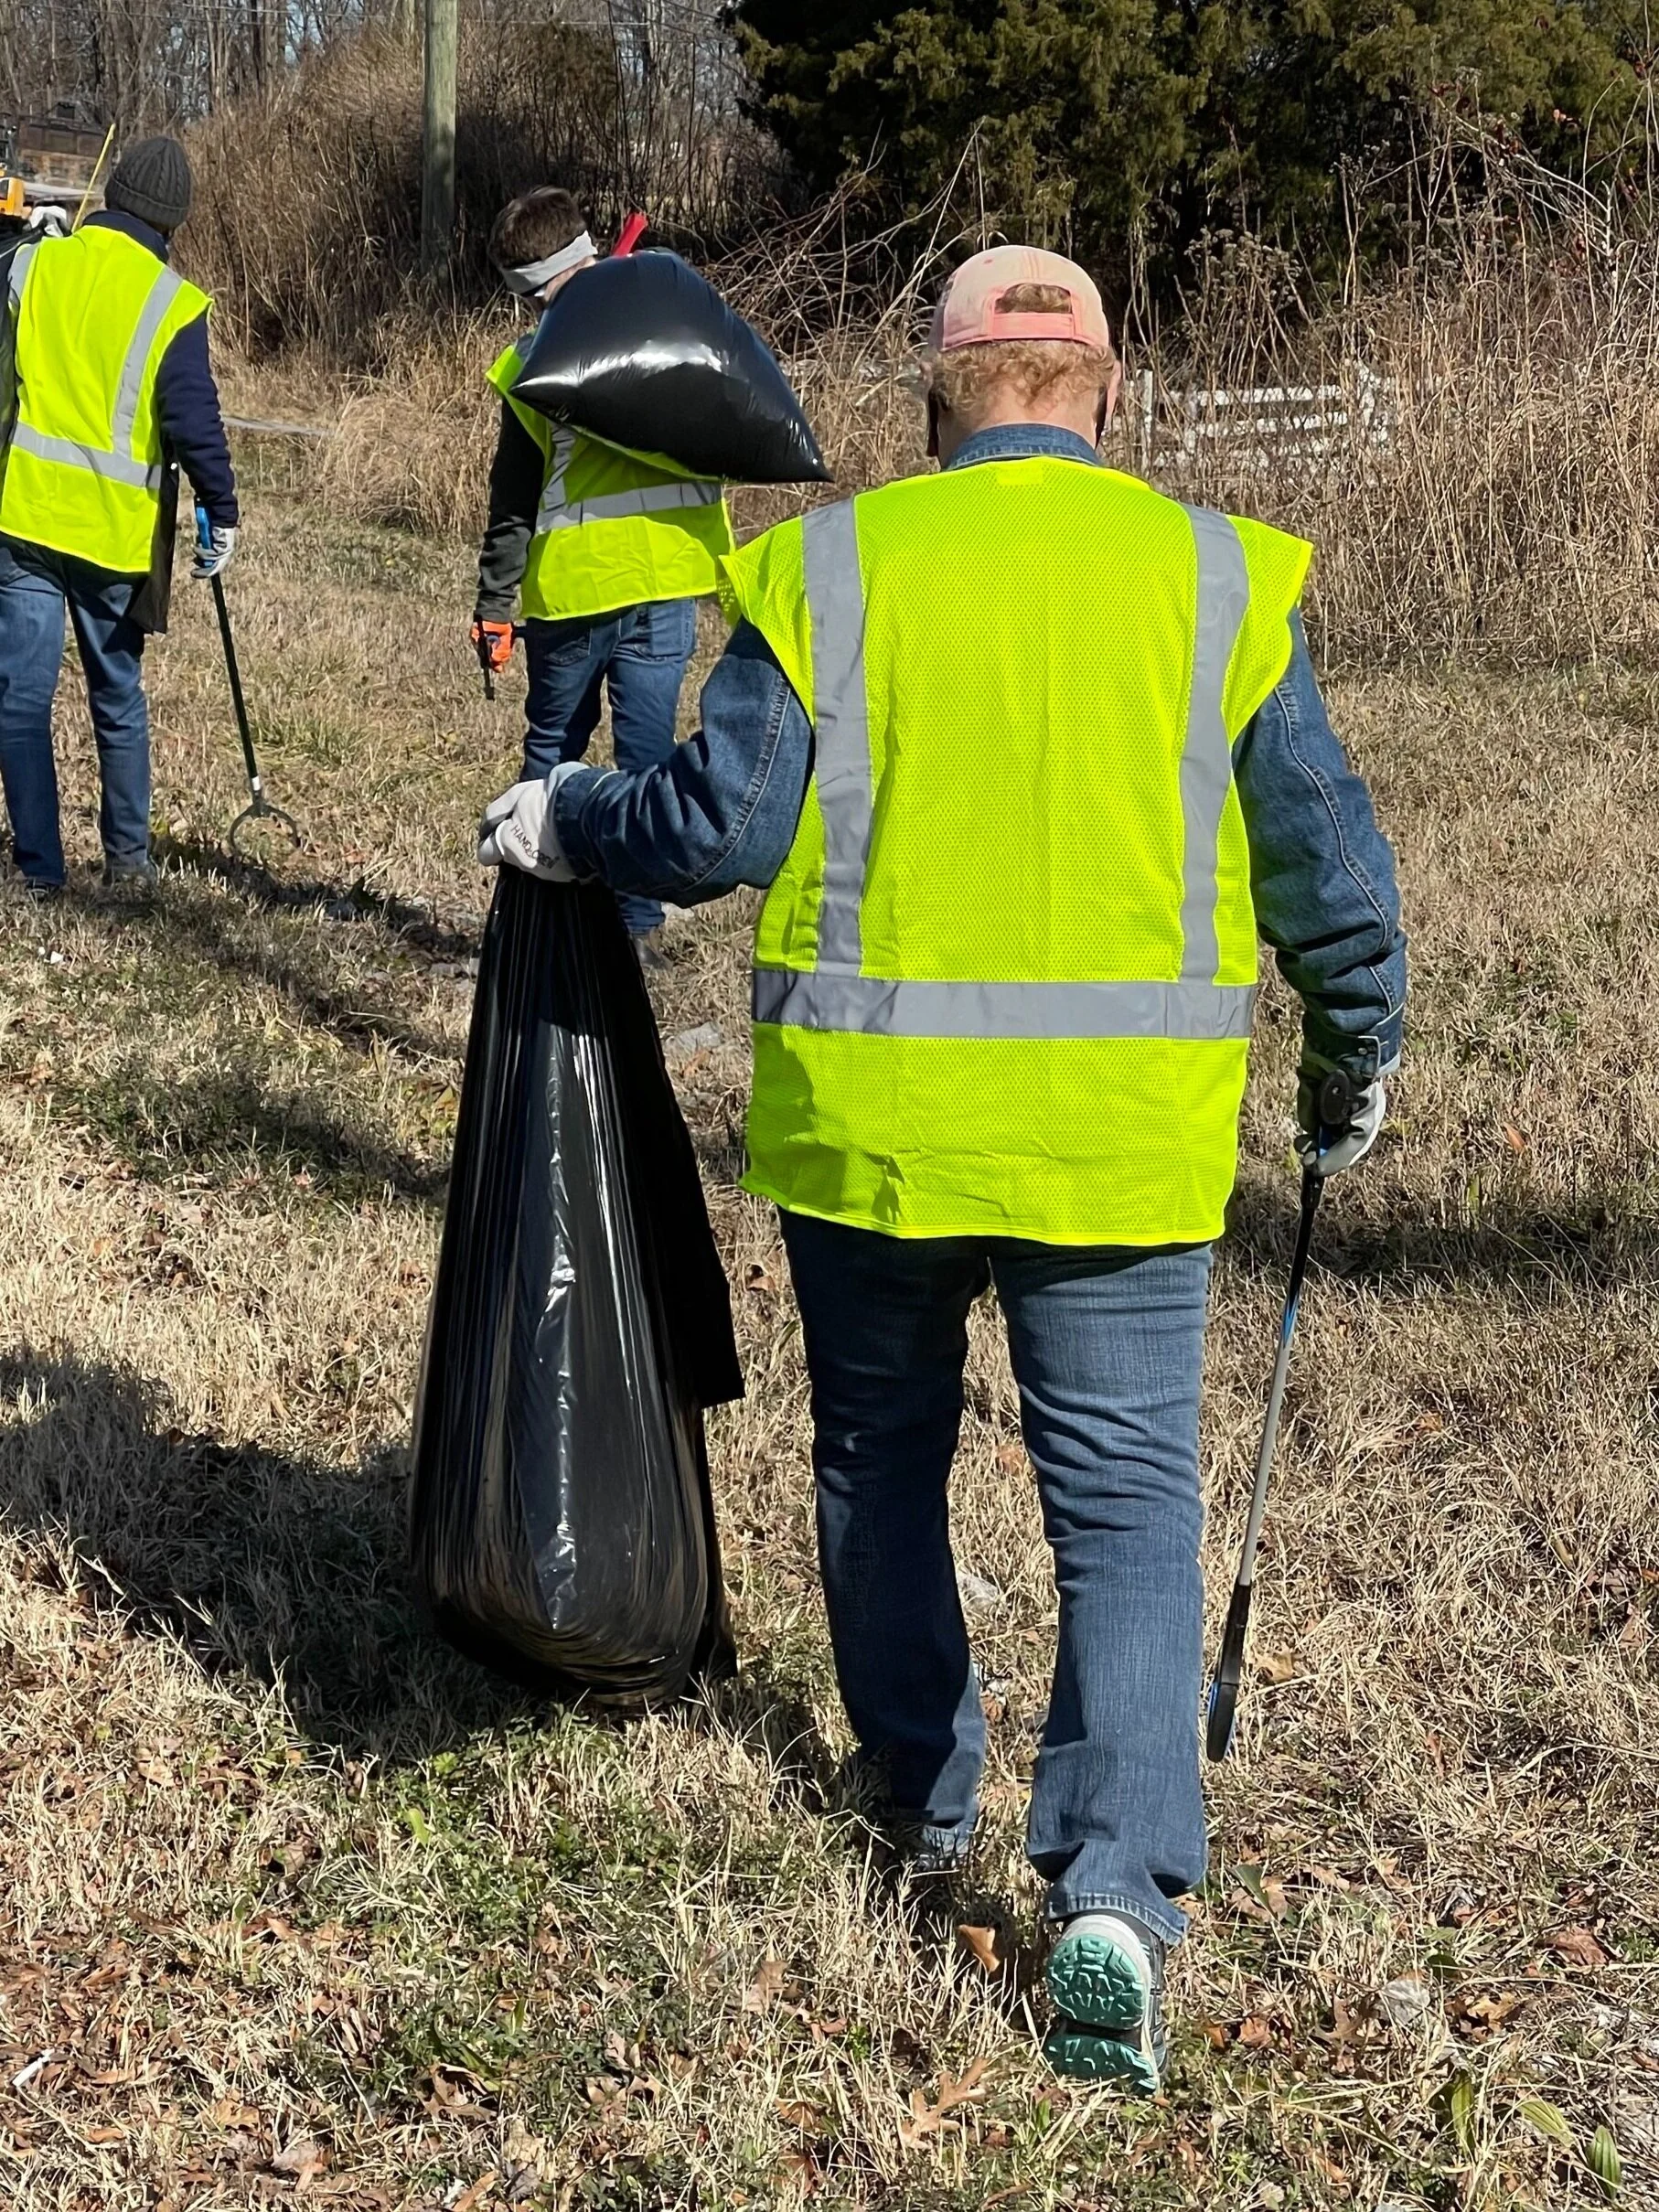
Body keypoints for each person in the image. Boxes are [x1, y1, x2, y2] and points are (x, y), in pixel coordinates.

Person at [478, 245, 1407, 2089]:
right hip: (1116, 1148)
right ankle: (1113, 1898)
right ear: (1110, 395)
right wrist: (1351, 1048)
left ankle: (913, 1795)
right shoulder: (1214, 576)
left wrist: (572, 814)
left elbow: (716, 823)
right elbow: (1323, 853)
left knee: (878, 1457)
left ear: (931, 404)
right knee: (1123, 1504)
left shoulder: (833, 565)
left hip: (875, 1133)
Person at [470, 187, 735, 959]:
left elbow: (514, 503)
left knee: (553, 752)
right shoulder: (673, 325)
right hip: (670, 577)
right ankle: (638, 927)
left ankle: (529, 921)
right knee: (646, 761)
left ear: (529, 289)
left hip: (579, 589)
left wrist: (494, 603)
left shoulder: (534, 361)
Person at [0, 135, 238, 898]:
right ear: (174, 221)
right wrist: (222, 508)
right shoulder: (173, 302)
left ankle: (39, 870)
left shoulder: (37, 263)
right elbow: (195, 423)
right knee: (116, 699)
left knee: (21, 700)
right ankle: (128, 863)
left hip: (25, 518)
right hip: (111, 536)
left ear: (111, 193)